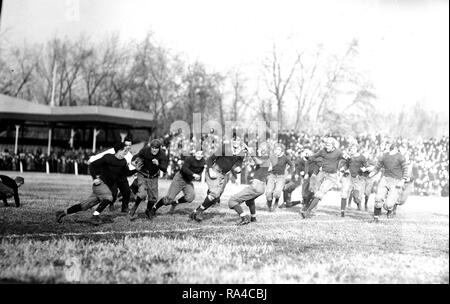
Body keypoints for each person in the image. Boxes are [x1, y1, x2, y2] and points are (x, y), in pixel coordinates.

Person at [55, 142, 139, 225]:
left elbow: (127, 173)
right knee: (109, 197)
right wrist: (94, 178)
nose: (126, 152)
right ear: (118, 150)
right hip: (100, 185)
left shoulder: (123, 162)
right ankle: (94, 216)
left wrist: (136, 169)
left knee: (84, 206)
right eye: (124, 150)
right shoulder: (108, 157)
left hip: (106, 188)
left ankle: (62, 213)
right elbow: (92, 165)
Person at [189, 140, 245, 222]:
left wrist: (238, 169)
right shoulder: (225, 148)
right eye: (235, 140)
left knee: (215, 198)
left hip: (224, 175)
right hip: (215, 170)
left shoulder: (241, 153)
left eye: (238, 140)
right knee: (214, 194)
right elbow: (210, 159)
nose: (236, 143)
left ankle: (196, 212)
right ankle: (199, 211)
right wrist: (210, 169)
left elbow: (238, 164)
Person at [300, 137, 348, 219]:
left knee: (320, 193)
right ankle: (310, 209)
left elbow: (347, 159)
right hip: (322, 173)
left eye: (328, 145)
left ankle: (308, 211)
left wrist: (345, 165)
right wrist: (308, 157)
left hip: (331, 176)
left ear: (333, 146)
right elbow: (314, 156)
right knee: (315, 191)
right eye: (326, 145)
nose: (327, 147)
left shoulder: (338, 152)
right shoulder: (323, 151)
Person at [150, 150, 206, 216]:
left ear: (203, 155)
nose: (199, 155)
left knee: (190, 197)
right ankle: (154, 208)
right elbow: (184, 169)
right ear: (195, 153)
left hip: (188, 181)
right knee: (169, 199)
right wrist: (193, 174)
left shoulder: (203, 162)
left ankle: (176, 202)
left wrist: (198, 176)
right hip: (180, 178)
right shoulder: (189, 159)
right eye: (198, 153)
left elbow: (201, 170)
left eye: (201, 154)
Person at [227, 143, 270, 225]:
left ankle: (244, 218)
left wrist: (251, 152)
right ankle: (253, 218)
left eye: (261, 148)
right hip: (260, 187)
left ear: (265, 150)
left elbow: (258, 162)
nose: (259, 149)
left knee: (232, 201)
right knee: (249, 200)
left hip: (257, 186)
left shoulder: (265, 157)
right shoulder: (266, 158)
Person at [368, 141, 409, 222]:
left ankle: (390, 209)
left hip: (395, 181)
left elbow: (405, 169)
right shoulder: (384, 155)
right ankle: (376, 218)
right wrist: (373, 172)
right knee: (378, 198)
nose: (387, 147)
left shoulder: (400, 157)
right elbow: (378, 166)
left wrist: (403, 180)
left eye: (389, 145)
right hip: (385, 179)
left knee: (388, 204)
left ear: (395, 147)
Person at [129, 139, 168, 220]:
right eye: (152, 147)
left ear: (159, 148)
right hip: (143, 174)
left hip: (153, 176)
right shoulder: (145, 150)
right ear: (150, 147)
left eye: (156, 148)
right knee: (142, 193)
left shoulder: (162, 155)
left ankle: (148, 210)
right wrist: (133, 161)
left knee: (153, 197)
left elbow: (164, 169)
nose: (154, 150)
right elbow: (136, 156)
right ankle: (135, 206)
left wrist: (158, 164)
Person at [339, 144, 369, 217]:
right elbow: (346, 165)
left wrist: (365, 169)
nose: (351, 150)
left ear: (357, 149)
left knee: (356, 197)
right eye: (351, 149)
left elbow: (367, 166)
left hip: (358, 178)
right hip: (348, 177)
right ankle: (342, 212)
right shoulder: (349, 157)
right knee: (344, 193)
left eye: (353, 148)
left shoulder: (362, 157)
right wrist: (344, 168)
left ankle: (357, 202)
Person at [265, 143, 293, 211]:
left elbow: (292, 165)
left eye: (278, 149)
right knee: (268, 192)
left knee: (277, 193)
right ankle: (269, 206)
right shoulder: (272, 157)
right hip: (271, 176)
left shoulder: (285, 158)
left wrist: (290, 173)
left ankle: (276, 202)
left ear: (282, 151)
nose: (277, 151)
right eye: (276, 149)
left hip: (281, 177)